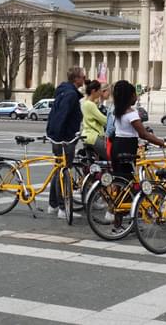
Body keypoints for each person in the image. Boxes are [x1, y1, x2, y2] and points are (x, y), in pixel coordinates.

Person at [111, 80, 166, 179]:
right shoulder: (131, 114)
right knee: (128, 180)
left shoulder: (117, 112)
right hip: (127, 147)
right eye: (135, 94)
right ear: (130, 96)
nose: (136, 97)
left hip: (116, 145)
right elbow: (144, 134)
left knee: (119, 180)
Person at [45, 66, 85, 219]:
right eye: (83, 76)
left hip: (59, 137)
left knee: (58, 170)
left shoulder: (64, 91)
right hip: (65, 138)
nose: (84, 79)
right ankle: (63, 208)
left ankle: (53, 205)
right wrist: (61, 137)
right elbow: (62, 116)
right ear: (76, 79)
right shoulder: (70, 95)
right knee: (64, 172)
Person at [81, 80, 108, 160]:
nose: (100, 92)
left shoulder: (86, 103)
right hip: (93, 136)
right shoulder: (91, 105)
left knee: (94, 163)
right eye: (99, 90)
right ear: (93, 91)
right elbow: (103, 120)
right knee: (110, 156)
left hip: (86, 136)